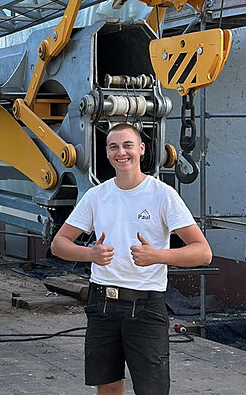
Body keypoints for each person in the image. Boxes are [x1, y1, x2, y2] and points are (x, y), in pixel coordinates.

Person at [51, 123, 212, 395]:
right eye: (113, 147)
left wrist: (157, 256)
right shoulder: (96, 196)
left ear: (141, 149)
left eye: (127, 145)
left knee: (152, 390)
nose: (121, 152)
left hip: (146, 306)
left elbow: (202, 252)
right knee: (109, 387)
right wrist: (89, 254)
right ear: (106, 153)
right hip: (102, 304)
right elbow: (59, 244)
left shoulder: (162, 195)